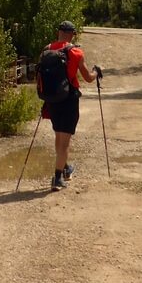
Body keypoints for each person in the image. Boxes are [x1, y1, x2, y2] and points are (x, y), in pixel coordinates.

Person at [39, 21, 101, 191]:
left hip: (51, 99)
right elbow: (88, 77)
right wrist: (97, 72)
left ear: (58, 32)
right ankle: (58, 178)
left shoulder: (46, 49)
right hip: (68, 99)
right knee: (65, 141)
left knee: (59, 136)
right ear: (72, 34)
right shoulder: (76, 52)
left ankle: (65, 167)